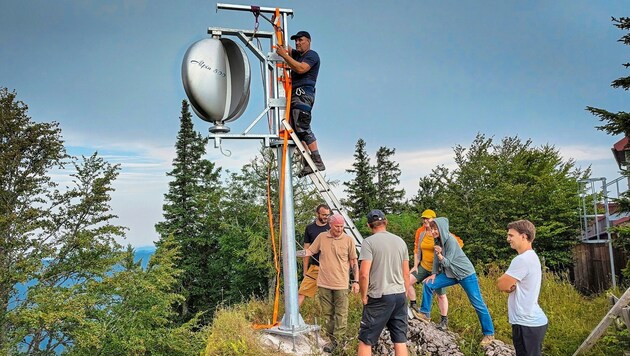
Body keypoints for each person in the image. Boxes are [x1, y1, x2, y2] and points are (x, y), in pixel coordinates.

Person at [418, 217, 495, 346]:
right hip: (451, 274)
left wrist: (439, 255)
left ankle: (489, 334)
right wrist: (434, 274)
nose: (433, 231)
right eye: (432, 229)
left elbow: (447, 262)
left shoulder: (451, 241)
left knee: (477, 303)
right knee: (428, 284)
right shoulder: (437, 241)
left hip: (466, 274)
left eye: (436, 228)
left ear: (442, 228)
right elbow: (437, 261)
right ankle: (425, 314)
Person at [302, 214, 359, 353]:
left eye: (341, 226)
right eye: (337, 226)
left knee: (341, 313)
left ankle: (339, 341)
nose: (340, 229)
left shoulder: (348, 240)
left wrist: (356, 281)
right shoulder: (322, 237)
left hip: (341, 284)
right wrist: (293, 252)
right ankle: (332, 339)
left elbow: (353, 261)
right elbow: (310, 251)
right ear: (331, 225)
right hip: (324, 283)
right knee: (327, 313)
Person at [358, 210, 410, 356]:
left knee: (366, 340)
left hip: (379, 295)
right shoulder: (400, 241)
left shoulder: (369, 242)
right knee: (400, 340)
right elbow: (406, 273)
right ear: (386, 222)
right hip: (399, 294)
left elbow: (363, 274)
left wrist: (363, 296)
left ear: (369, 225)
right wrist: (404, 292)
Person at [276, 30, 324, 177]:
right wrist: (276, 27)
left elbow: (301, 68)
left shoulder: (311, 55)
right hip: (296, 94)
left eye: (300, 40)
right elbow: (285, 45)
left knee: (302, 125)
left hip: (304, 94)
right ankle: (307, 161)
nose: (297, 43)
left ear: (308, 41)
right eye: (296, 40)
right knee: (295, 129)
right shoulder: (297, 55)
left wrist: (284, 56)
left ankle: (317, 160)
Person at [497, 220, 548, 356]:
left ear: (524, 236)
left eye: (511, 235)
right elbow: (511, 285)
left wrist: (505, 284)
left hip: (527, 322)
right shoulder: (531, 257)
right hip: (530, 322)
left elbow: (501, 284)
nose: (508, 239)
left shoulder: (522, 260)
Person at [408, 209, 462, 331]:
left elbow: (457, 245)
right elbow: (416, 249)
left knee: (441, 295)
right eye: (424, 218)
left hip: (438, 269)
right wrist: (415, 265)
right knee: (406, 281)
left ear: (434, 219)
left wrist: (446, 256)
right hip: (424, 266)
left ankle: (444, 320)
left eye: (428, 218)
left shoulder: (443, 233)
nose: (425, 220)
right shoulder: (421, 232)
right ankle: (414, 305)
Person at [298, 204, 331, 308]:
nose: (326, 217)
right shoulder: (310, 228)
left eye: (328, 215)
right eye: (324, 215)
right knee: (302, 292)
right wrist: (305, 271)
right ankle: (292, 317)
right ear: (317, 214)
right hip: (315, 267)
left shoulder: (332, 227)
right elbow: (306, 250)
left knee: (331, 296)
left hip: (330, 268)